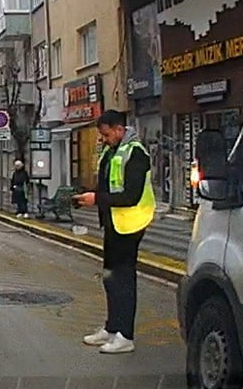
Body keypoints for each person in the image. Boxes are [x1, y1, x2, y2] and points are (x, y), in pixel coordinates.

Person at [72, 109, 155, 354]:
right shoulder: (112, 151)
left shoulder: (136, 154)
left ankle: (125, 335)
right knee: (110, 277)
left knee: (124, 280)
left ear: (119, 129)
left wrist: (96, 198)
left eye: (107, 134)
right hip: (112, 222)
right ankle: (111, 328)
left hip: (130, 224)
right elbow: (107, 185)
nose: (104, 139)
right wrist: (85, 196)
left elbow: (131, 195)